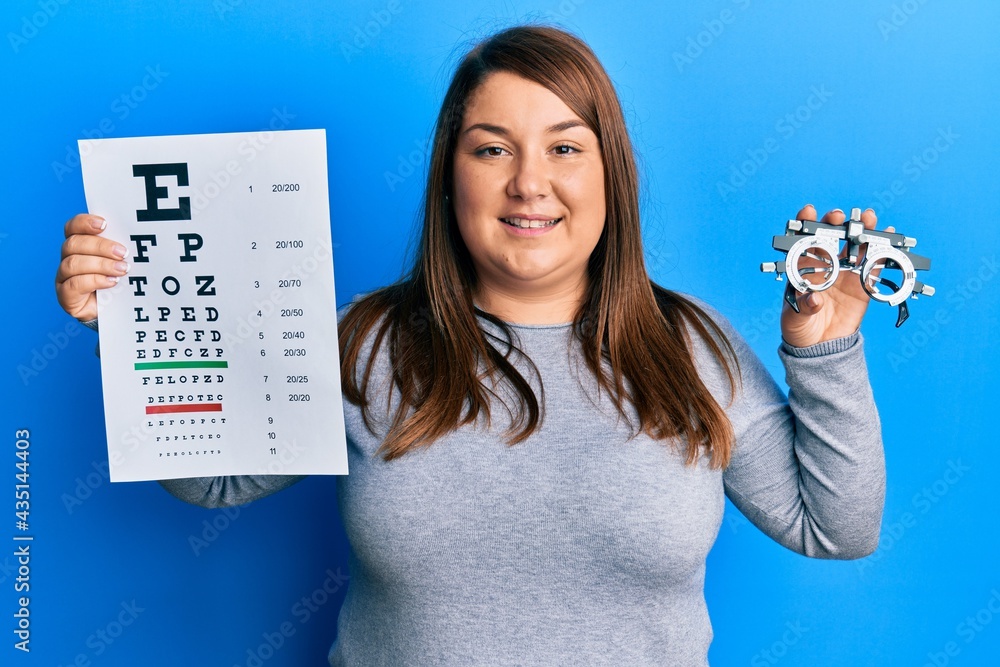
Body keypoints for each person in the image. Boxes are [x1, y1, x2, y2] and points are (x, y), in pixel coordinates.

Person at [55, 25, 885, 666]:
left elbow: (836, 527)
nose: (529, 181)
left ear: (609, 175)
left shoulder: (693, 348)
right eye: (492, 148)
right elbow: (213, 480)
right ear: (452, 175)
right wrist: (129, 326)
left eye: (565, 147)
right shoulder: (367, 344)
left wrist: (827, 349)